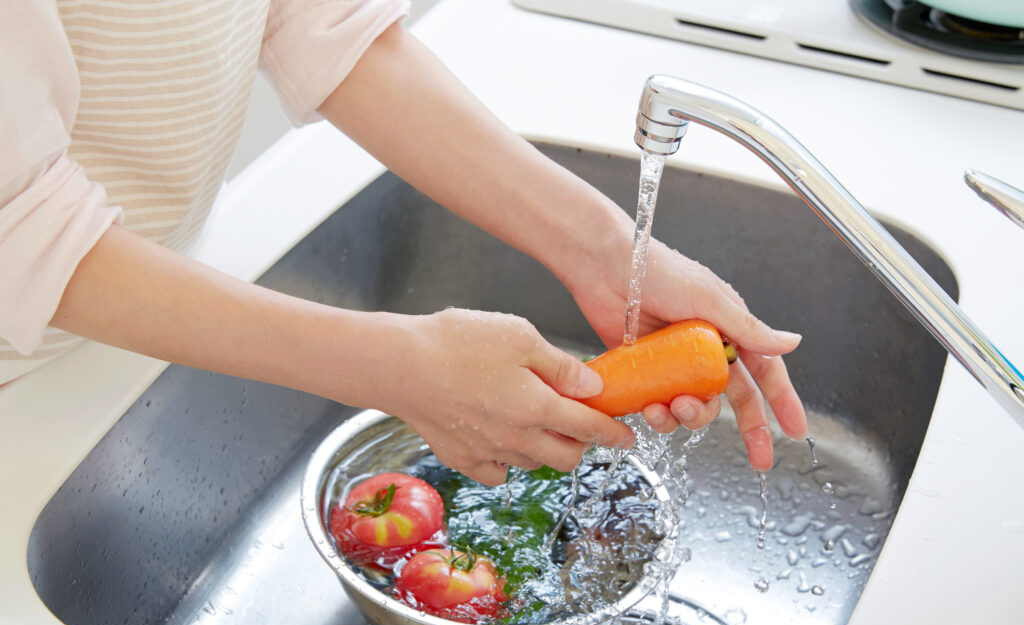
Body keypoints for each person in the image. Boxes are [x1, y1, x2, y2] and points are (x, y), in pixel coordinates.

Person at [0, 0, 806, 486]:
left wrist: (606, 252)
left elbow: (316, 21)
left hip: (135, 313)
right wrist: (402, 368)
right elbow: (19, 225)